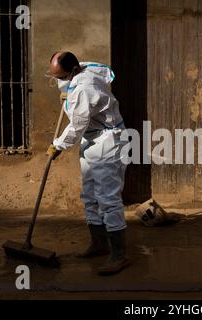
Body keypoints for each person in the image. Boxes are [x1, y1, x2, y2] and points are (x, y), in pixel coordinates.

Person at [45, 51, 129, 276]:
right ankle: (99, 244)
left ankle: (118, 255)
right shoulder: (82, 68)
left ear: (72, 71)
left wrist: (59, 145)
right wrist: (66, 89)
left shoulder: (85, 88)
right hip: (92, 139)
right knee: (90, 194)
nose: (58, 81)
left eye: (61, 78)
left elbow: (77, 125)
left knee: (108, 199)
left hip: (107, 141)